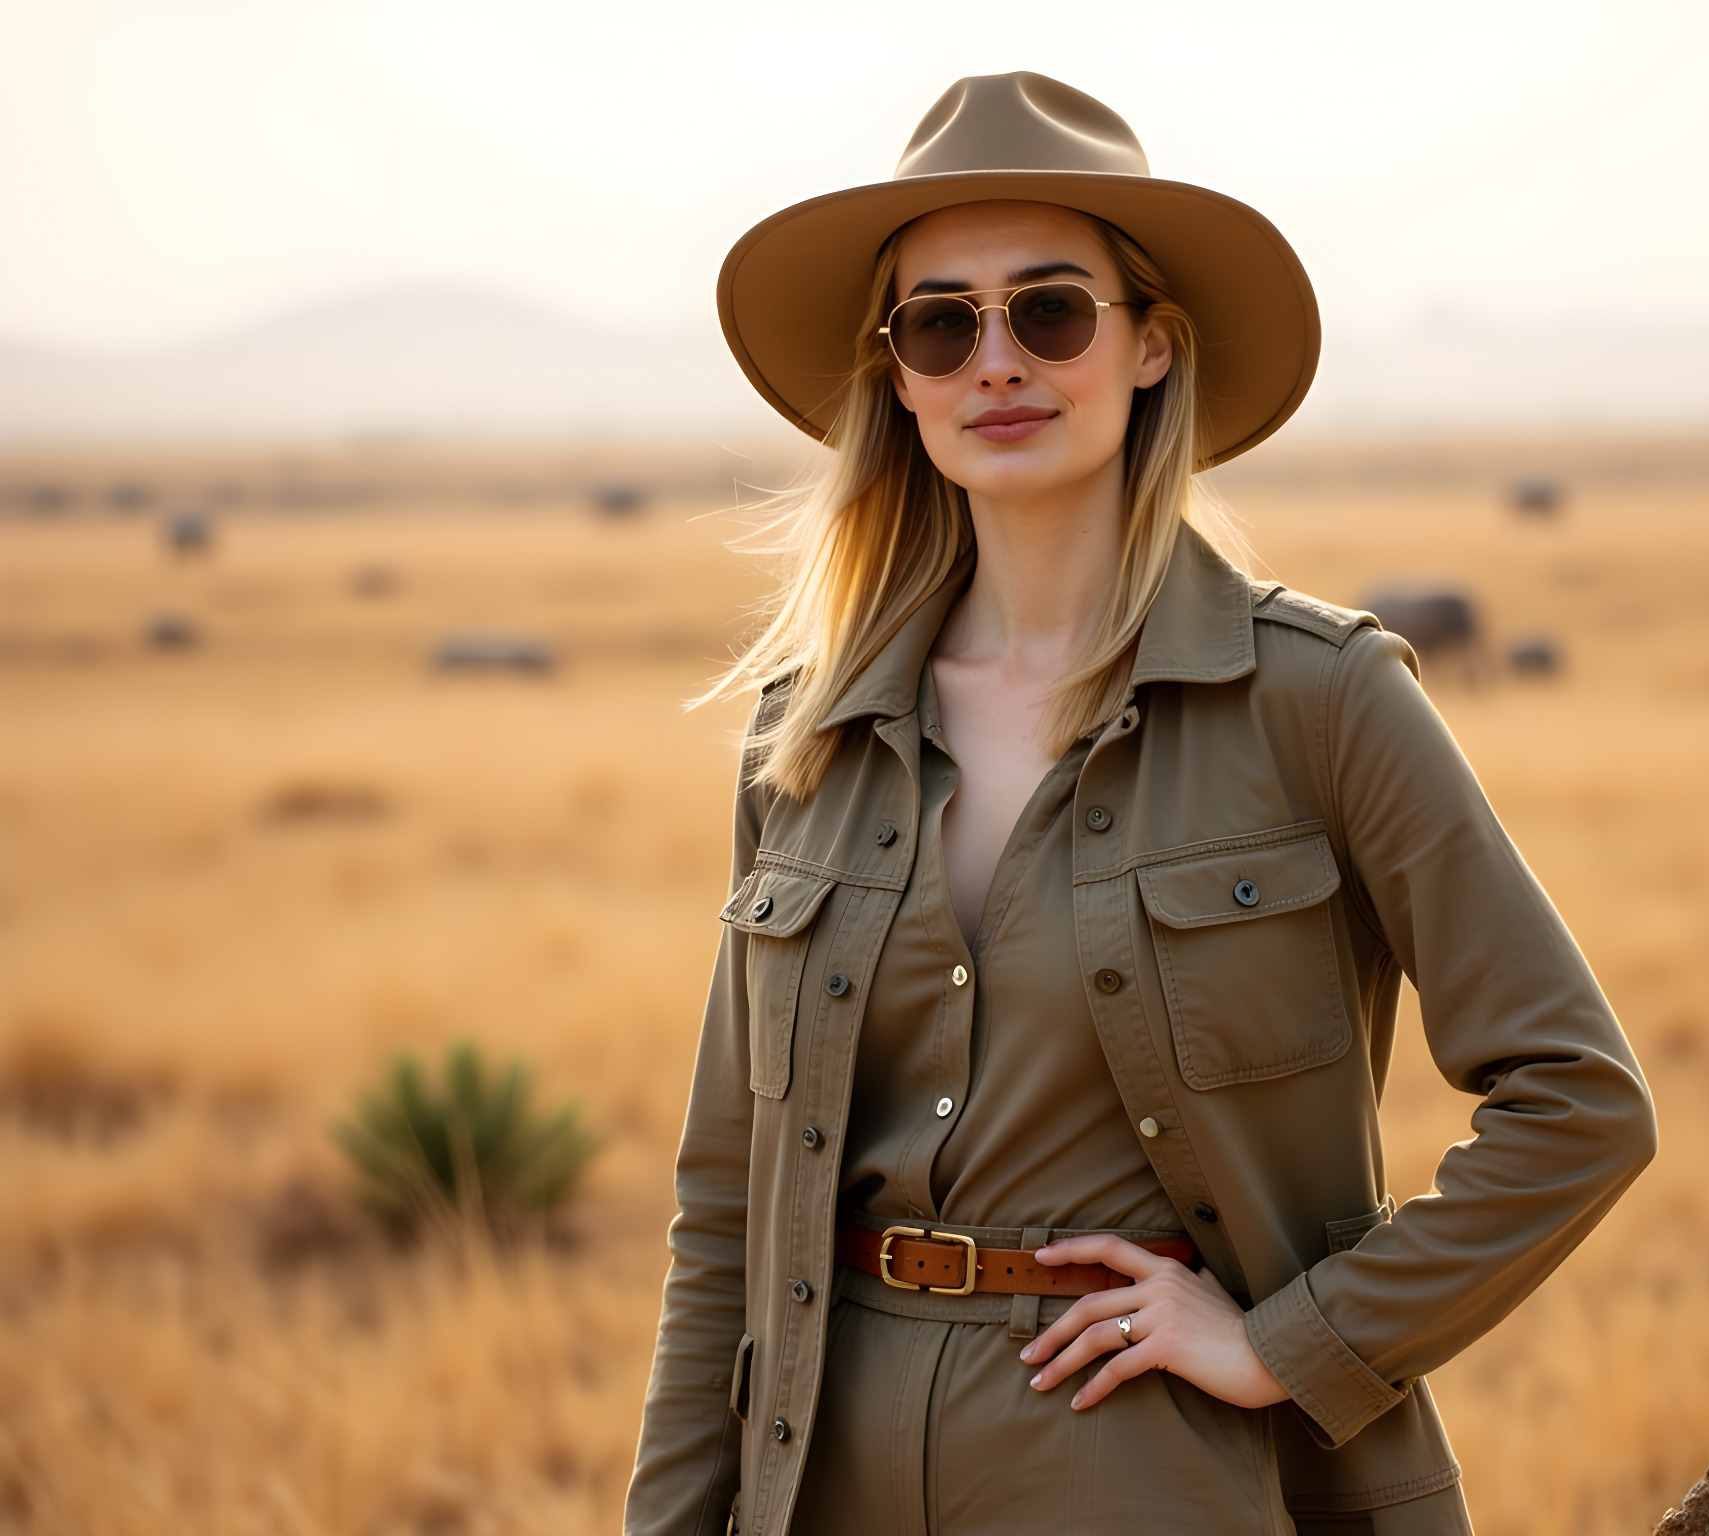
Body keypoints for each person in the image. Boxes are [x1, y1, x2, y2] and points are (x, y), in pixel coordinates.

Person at [625, 73, 1656, 1536]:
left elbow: (1580, 1102)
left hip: (1160, 1476)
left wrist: (1278, 1344)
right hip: (825, 1475)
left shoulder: (1324, 698)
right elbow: (726, 1200)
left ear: (1150, 343)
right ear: (900, 378)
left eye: (1049, 310)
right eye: (941, 323)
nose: (997, 362)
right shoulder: (804, 736)